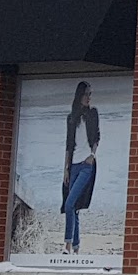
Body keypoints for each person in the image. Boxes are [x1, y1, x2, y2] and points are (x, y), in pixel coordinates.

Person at [61, 81, 99, 255]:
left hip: (86, 165)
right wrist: (66, 169)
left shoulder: (92, 114)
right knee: (73, 207)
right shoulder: (71, 118)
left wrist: (92, 155)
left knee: (69, 203)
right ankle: (76, 248)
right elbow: (69, 145)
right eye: (86, 94)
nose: (88, 98)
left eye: (90, 94)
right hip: (73, 165)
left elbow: (97, 136)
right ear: (79, 96)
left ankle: (67, 245)